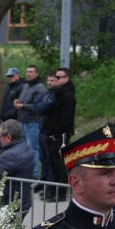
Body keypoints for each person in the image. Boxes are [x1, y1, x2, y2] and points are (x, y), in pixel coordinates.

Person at [36, 67, 76, 200]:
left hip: (60, 136)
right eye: (56, 77)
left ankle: (60, 194)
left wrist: (57, 134)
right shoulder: (59, 94)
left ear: (66, 78)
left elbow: (65, 118)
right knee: (53, 164)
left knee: (59, 166)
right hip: (53, 134)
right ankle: (53, 191)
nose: (56, 80)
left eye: (59, 77)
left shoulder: (68, 96)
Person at [0, 119, 34, 216]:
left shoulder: (10, 155)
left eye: (0, 136)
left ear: (8, 137)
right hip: (24, 203)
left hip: (12, 206)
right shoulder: (26, 147)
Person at [15, 65, 47, 176]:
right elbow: (23, 100)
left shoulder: (40, 87)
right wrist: (18, 102)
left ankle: (34, 175)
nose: (28, 74)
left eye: (31, 72)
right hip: (22, 121)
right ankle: (25, 173)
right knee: (23, 149)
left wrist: (23, 106)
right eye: (27, 71)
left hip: (33, 123)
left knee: (33, 150)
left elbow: (38, 106)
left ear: (36, 74)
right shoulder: (25, 85)